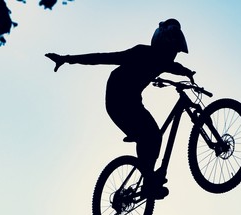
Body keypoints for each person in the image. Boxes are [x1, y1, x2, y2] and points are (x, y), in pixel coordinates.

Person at [45, 18, 195, 199]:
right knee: (152, 135)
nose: (173, 55)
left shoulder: (162, 62)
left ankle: (146, 177)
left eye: (176, 52)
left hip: (130, 102)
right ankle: (148, 181)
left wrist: (188, 73)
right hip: (118, 101)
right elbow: (103, 58)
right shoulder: (141, 53)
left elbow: (175, 68)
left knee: (151, 137)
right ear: (163, 45)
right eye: (173, 50)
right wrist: (67, 59)